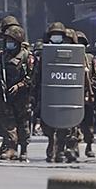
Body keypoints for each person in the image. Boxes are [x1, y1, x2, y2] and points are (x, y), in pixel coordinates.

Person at [33, 23, 79, 163]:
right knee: (48, 125)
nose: (56, 37)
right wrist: (34, 95)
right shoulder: (45, 56)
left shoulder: (73, 55)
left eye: (59, 35)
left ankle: (60, 150)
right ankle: (52, 146)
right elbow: (37, 76)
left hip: (66, 96)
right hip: (48, 96)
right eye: (54, 35)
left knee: (65, 126)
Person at [0, 24, 33, 161]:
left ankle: (24, 149)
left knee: (23, 124)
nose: (9, 43)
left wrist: (19, 85)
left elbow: (33, 77)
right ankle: (11, 148)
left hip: (22, 97)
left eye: (11, 41)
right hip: (6, 95)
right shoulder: (2, 56)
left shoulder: (27, 57)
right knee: (9, 124)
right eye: (7, 40)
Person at [76, 30, 96, 158]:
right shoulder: (71, 58)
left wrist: (91, 86)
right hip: (74, 96)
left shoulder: (90, 59)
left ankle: (89, 145)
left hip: (88, 96)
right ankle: (73, 146)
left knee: (89, 123)